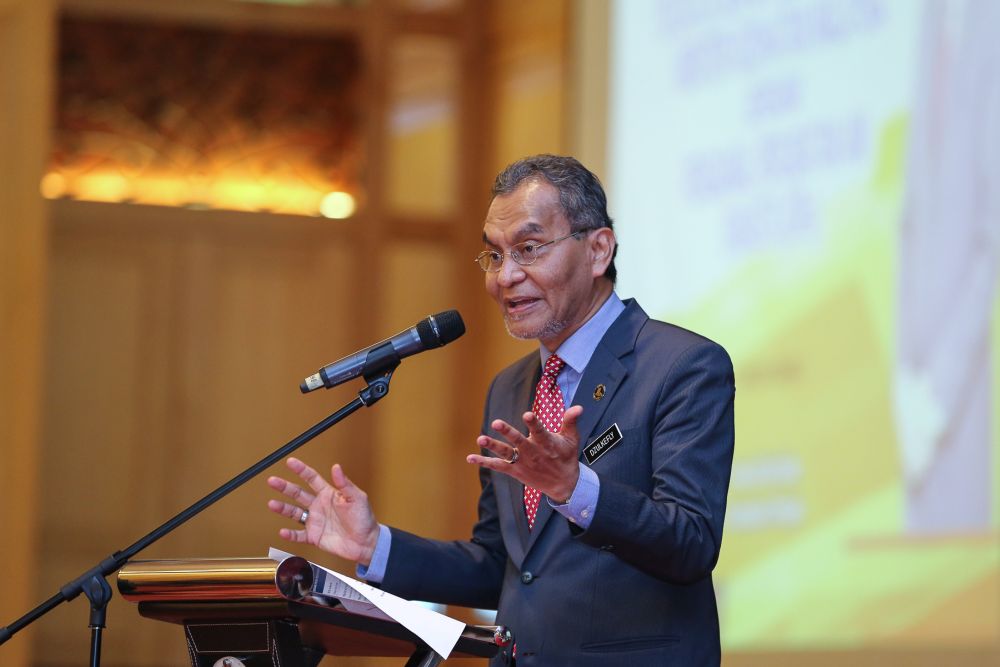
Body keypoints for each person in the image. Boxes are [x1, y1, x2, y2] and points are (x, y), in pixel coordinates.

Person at [267, 155, 736, 666]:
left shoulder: (683, 366)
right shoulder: (510, 388)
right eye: (494, 255)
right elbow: (506, 566)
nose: (505, 277)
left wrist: (573, 490)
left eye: (529, 249)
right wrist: (376, 546)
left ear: (598, 249)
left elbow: (690, 542)